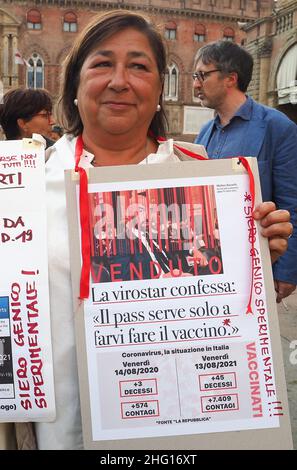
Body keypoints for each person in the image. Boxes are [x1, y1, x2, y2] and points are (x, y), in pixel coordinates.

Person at [1, 10, 291, 450]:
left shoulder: (210, 182)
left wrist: (252, 260)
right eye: (102, 64)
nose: (120, 81)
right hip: (61, 434)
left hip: (186, 431)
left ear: (160, 89)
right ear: (74, 86)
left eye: (139, 66)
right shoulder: (21, 188)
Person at [193, 40, 297, 303]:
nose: (196, 84)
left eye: (202, 75)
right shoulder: (203, 134)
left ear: (230, 78)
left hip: (255, 265)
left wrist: (286, 272)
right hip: (207, 265)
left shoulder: (277, 127)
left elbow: (292, 203)